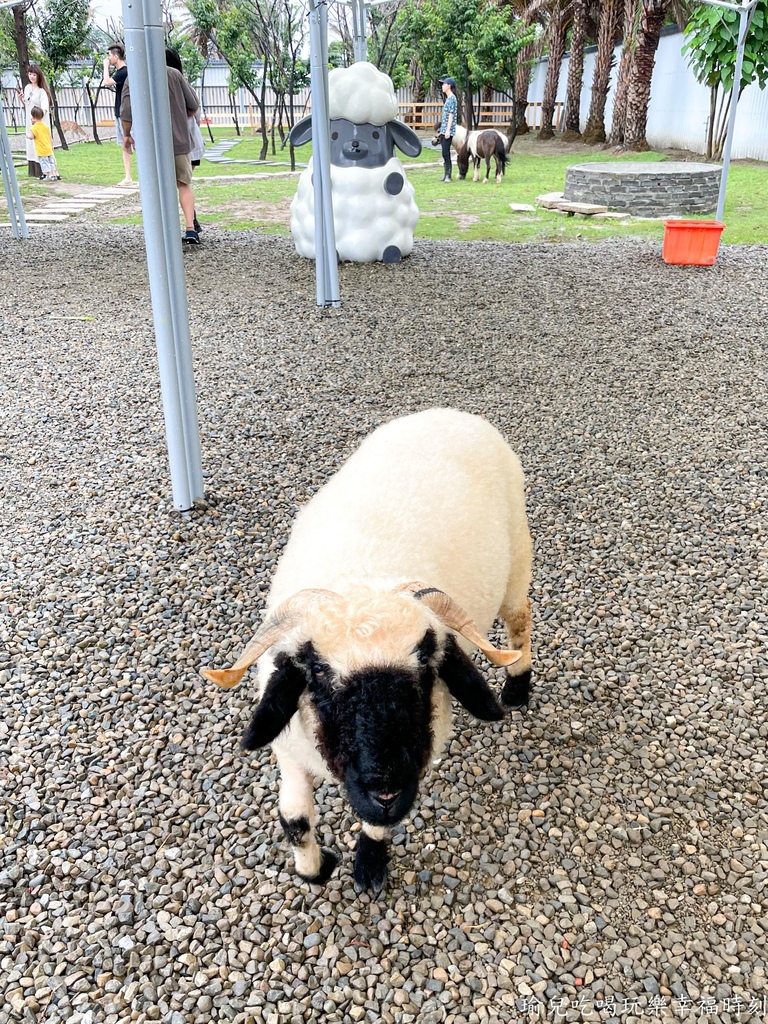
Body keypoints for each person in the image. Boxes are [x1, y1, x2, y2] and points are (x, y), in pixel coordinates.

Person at [121, 64, 202, 244]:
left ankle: (160, 230)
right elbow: (193, 105)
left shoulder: (133, 76)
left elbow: (126, 112)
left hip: (149, 145)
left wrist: (126, 135)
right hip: (178, 139)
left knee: (154, 187)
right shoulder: (174, 74)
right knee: (184, 184)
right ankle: (190, 228)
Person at [102, 44, 133, 185]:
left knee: (131, 142)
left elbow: (106, 82)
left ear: (115, 56)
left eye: (110, 55)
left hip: (125, 113)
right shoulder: (122, 72)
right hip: (120, 111)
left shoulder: (124, 72)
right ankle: (128, 176)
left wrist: (105, 66)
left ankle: (130, 176)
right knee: (124, 145)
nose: (108, 58)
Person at [16, 65, 51, 179]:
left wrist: (38, 118)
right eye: (30, 74)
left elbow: (45, 108)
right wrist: (21, 98)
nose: (32, 77)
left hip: (40, 122)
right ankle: (34, 170)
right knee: (31, 143)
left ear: (38, 76)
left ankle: (45, 172)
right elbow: (27, 103)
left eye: (34, 75)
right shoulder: (27, 88)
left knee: (41, 144)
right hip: (30, 121)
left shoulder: (42, 92)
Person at [27, 106, 59, 181]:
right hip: (48, 148)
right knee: (51, 162)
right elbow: (50, 137)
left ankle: (48, 175)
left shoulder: (34, 127)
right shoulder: (45, 126)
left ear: (33, 117)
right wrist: (51, 146)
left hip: (41, 149)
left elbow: (31, 137)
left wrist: (27, 135)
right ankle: (53, 174)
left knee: (44, 162)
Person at [438, 76, 458, 183]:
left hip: (447, 130)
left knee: (446, 152)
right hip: (444, 129)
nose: (442, 86)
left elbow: (451, 115)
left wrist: (447, 130)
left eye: (444, 84)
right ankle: (445, 174)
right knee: (444, 152)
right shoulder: (448, 99)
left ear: (449, 86)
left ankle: (448, 175)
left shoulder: (452, 98)